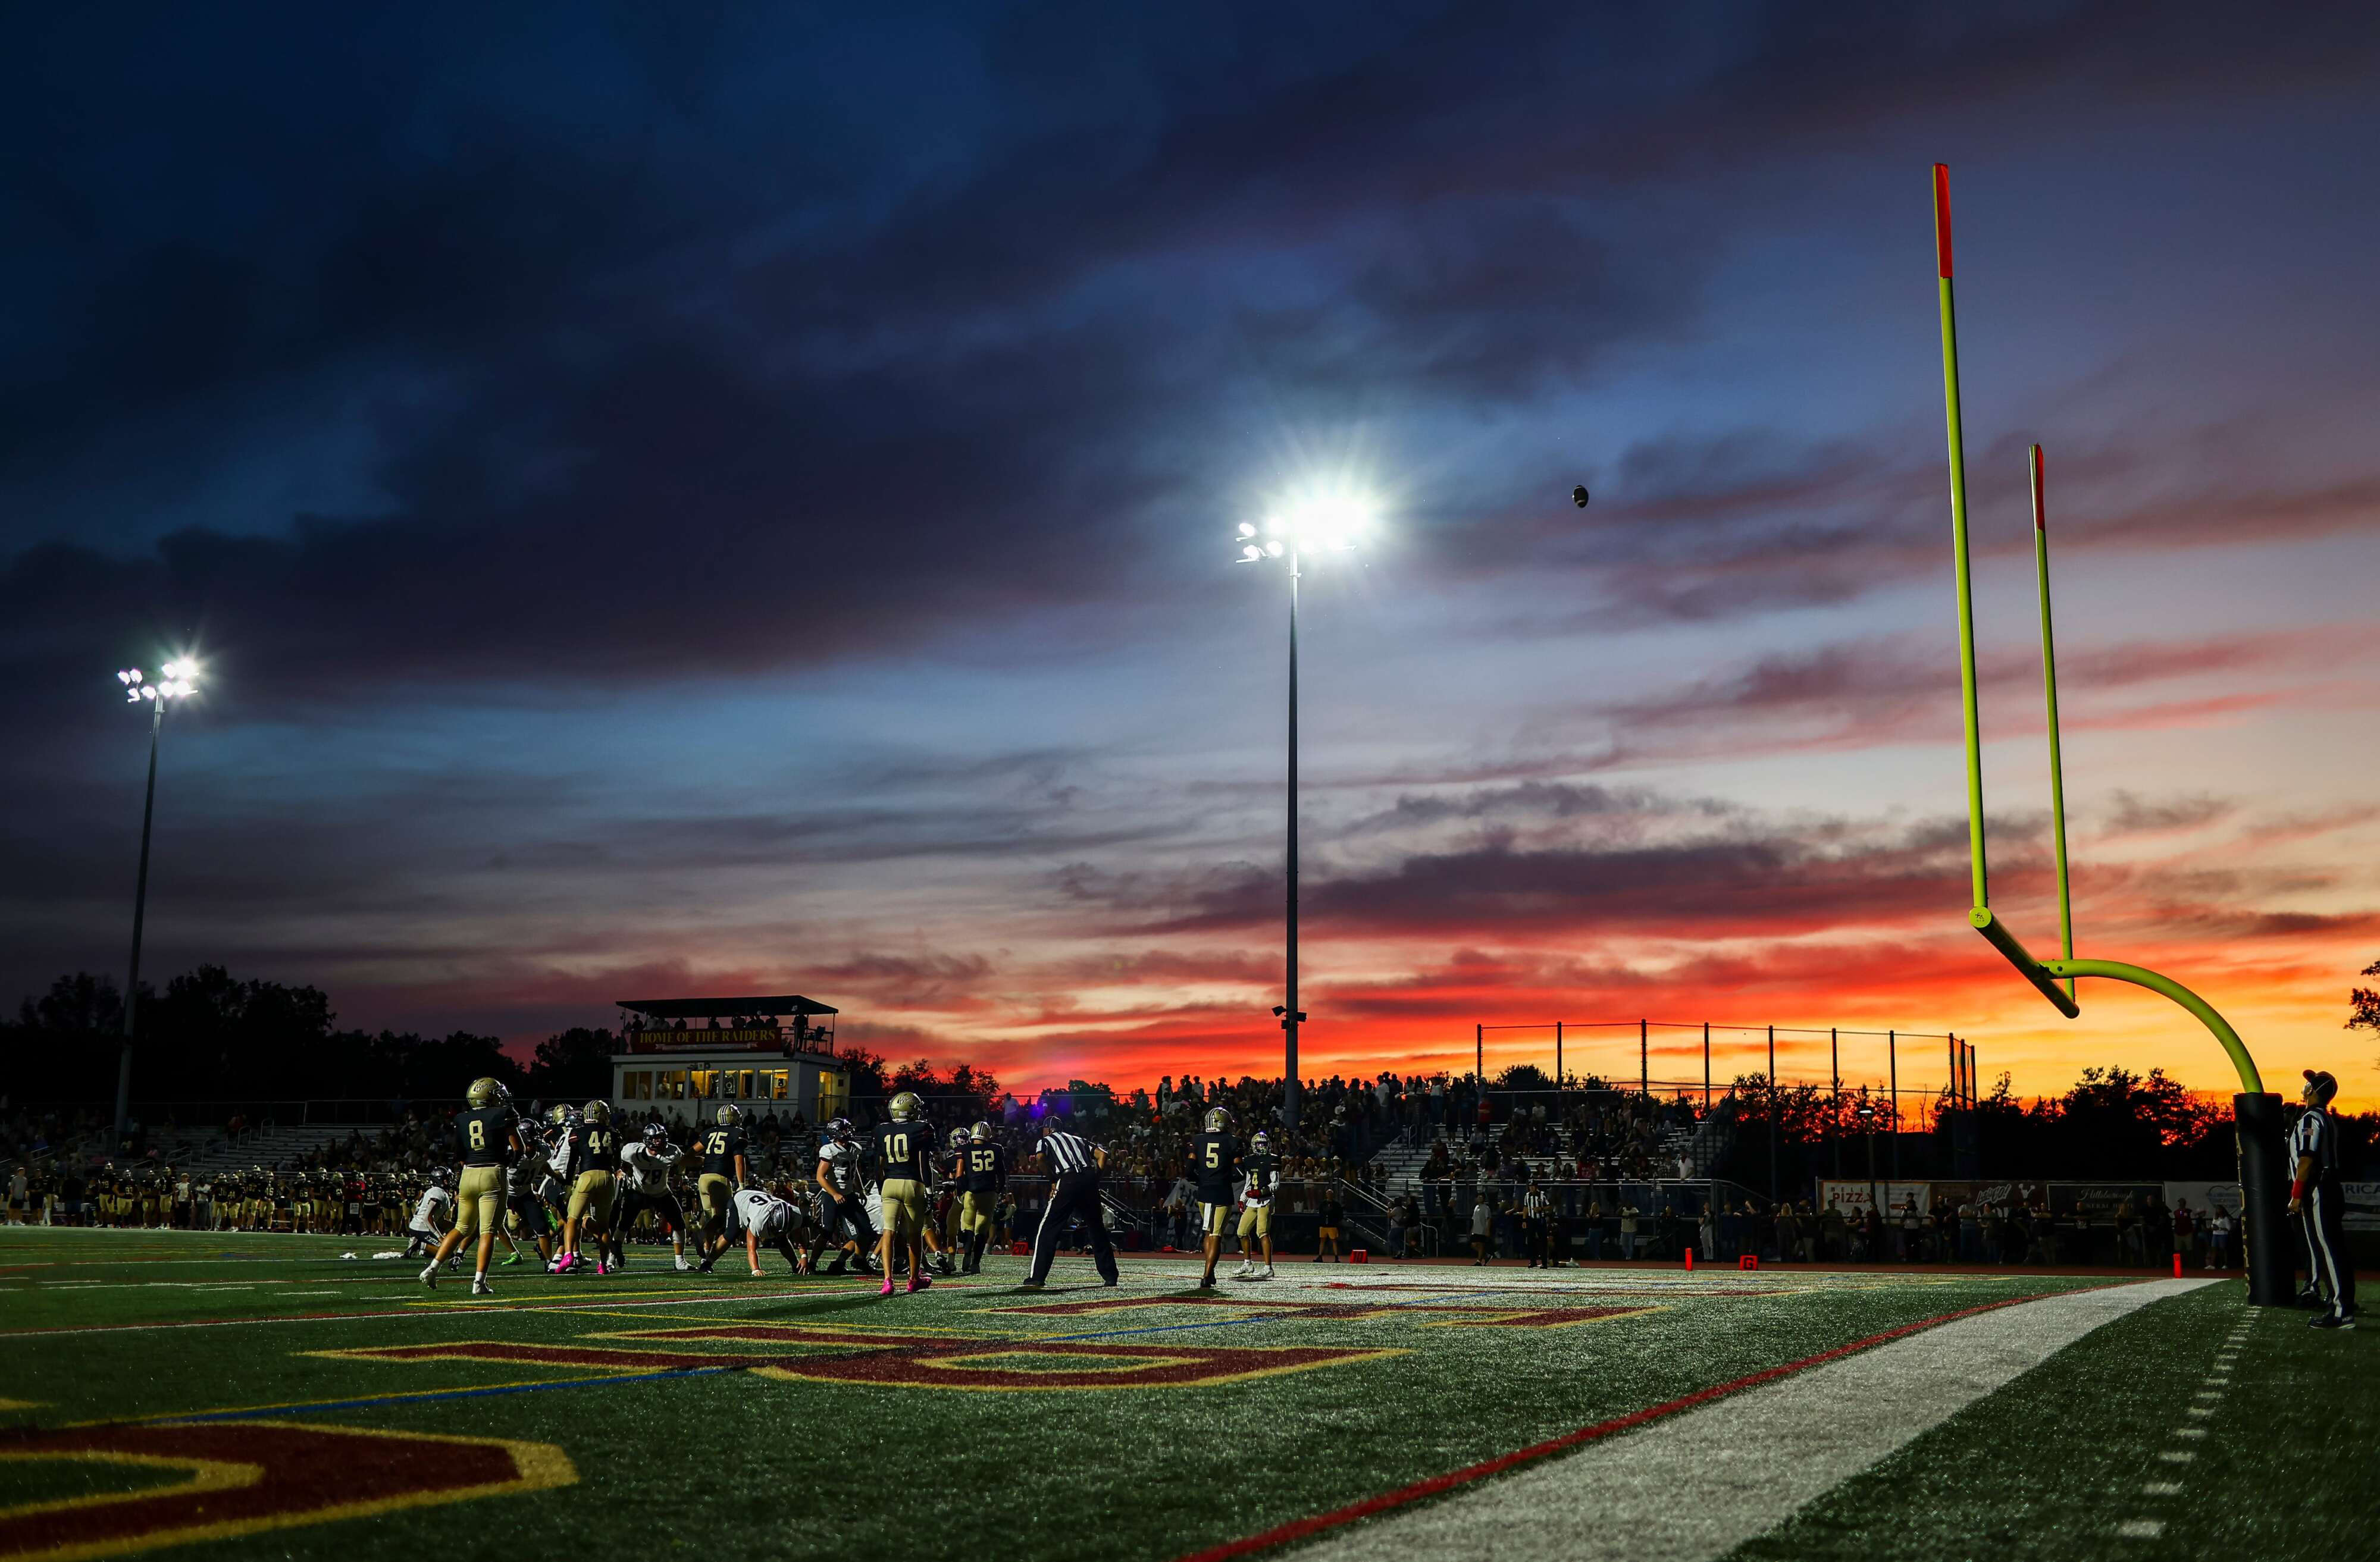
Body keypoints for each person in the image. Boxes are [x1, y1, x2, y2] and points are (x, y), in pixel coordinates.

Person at [422, 1077, 520, 1297]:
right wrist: (507, 1163)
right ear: (489, 1096)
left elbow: (459, 1155)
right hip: (492, 1173)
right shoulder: (503, 1114)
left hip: (468, 1174)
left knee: (461, 1227)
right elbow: (518, 1148)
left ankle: (432, 1269)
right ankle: (479, 1282)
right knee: (488, 1231)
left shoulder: (462, 1118)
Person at [2289, 1069, 2357, 1330]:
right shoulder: (2324, 1118)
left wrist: (2296, 1195)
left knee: (2329, 1250)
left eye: (2309, 1085)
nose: (2305, 1088)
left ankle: (2342, 1312)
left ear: (2314, 1091)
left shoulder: (2311, 1119)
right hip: (2327, 1186)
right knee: (2332, 1249)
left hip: (2319, 1188)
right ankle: (2339, 1305)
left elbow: (2306, 1159)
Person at [1020, 1121, 1117, 1290]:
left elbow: (1040, 1158)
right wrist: (1095, 1179)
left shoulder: (1046, 1140)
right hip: (1088, 1178)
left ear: (1049, 1129)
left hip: (1067, 1179)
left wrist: (1052, 1180)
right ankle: (1110, 1276)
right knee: (1097, 1228)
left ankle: (1037, 1277)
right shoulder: (1078, 1139)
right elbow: (1103, 1155)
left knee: (1048, 1227)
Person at [870, 1091, 936, 1296]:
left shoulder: (882, 1130)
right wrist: (930, 1192)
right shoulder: (921, 1128)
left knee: (888, 1232)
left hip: (889, 1183)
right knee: (914, 1235)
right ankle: (913, 1279)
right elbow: (923, 1163)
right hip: (912, 1183)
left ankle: (888, 1281)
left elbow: (877, 1166)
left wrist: (882, 1187)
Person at [615, 1122, 691, 1272]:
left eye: (662, 1138)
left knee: (679, 1223)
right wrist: (618, 1170)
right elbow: (617, 1156)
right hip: (638, 1191)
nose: (660, 1142)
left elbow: (682, 1161)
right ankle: (611, 1259)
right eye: (657, 1139)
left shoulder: (672, 1151)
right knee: (624, 1224)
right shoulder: (632, 1151)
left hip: (661, 1192)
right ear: (648, 1140)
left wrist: (679, 1174)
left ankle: (680, 1261)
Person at [556, 1099, 619, 1276]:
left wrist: (568, 1182)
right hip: (608, 1177)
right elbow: (617, 1162)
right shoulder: (613, 1134)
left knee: (573, 1219)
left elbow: (572, 1162)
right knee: (604, 1226)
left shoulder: (577, 1132)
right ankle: (603, 1265)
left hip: (587, 1176)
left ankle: (568, 1255)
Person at [694, 1105, 750, 1272]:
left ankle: (705, 1257)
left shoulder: (709, 1132)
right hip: (720, 1178)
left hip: (703, 1178)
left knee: (711, 1217)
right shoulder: (737, 1133)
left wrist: (704, 1161)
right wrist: (741, 1184)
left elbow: (692, 1151)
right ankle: (702, 1235)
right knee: (722, 1220)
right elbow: (739, 1161)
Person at [1191, 1107, 1238, 1289]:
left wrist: (1203, 1179)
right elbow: (1240, 1171)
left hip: (1204, 1192)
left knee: (1208, 1232)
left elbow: (1188, 1170)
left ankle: (1209, 1273)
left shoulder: (1198, 1140)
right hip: (1222, 1192)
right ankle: (1206, 1274)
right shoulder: (1233, 1141)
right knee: (1217, 1234)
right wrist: (1224, 1178)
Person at [955, 1121, 1008, 1275]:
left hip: (972, 1193)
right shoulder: (997, 1149)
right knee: (982, 1231)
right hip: (989, 1193)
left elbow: (959, 1175)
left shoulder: (964, 1148)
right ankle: (976, 1263)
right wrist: (997, 1191)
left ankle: (966, 1255)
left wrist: (961, 1191)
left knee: (968, 1226)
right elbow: (1002, 1176)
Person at [734, 1180, 812, 1276]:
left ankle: (796, 1265)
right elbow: (751, 1249)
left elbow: (798, 1239)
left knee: (782, 1239)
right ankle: (709, 1261)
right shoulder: (759, 1221)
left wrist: (804, 1257)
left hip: (762, 1203)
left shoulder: (795, 1214)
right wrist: (756, 1270)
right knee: (731, 1234)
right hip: (740, 1200)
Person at [1233, 1131, 1280, 1281]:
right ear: (1254, 1145)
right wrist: (1243, 1198)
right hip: (1252, 1202)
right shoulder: (1250, 1160)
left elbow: (1276, 1184)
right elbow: (1248, 1183)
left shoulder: (1273, 1159)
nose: (1261, 1147)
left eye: (1263, 1144)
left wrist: (1261, 1192)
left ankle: (1268, 1268)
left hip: (1265, 1201)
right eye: (1259, 1144)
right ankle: (1248, 1264)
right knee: (1242, 1232)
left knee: (1262, 1233)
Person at [1315, 1189, 1344, 1262]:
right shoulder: (1323, 1204)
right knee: (1322, 1240)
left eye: (1331, 1194)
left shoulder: (1336, 1204)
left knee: (1334, 1241)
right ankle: (1320, 1256)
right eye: (1328, 1194)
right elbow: (1320, 1213)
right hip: (1324, 1225)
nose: (1329, 1196)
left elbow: (1340, 1215)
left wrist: (1335, 1221)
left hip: (1332, 1225)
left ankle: (1336, 1257)